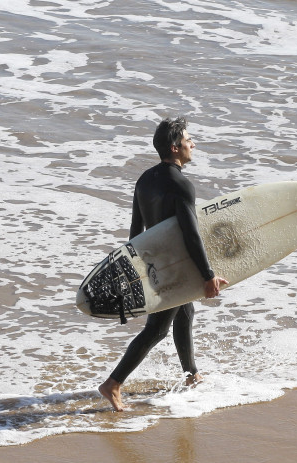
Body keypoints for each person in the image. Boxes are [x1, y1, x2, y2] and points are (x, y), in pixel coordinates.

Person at [98, 117, 228, 412]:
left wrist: (140, 269)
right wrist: (208, 275)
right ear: (175, 147)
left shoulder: (145, 179)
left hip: (155, 262)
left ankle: (191, 375)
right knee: (157, 329)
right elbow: (190, 233)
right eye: (188, 140)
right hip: (177, 264)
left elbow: (135, 232)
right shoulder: (181, 184)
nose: (193, 144)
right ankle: (113, 384)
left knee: (186, 310)